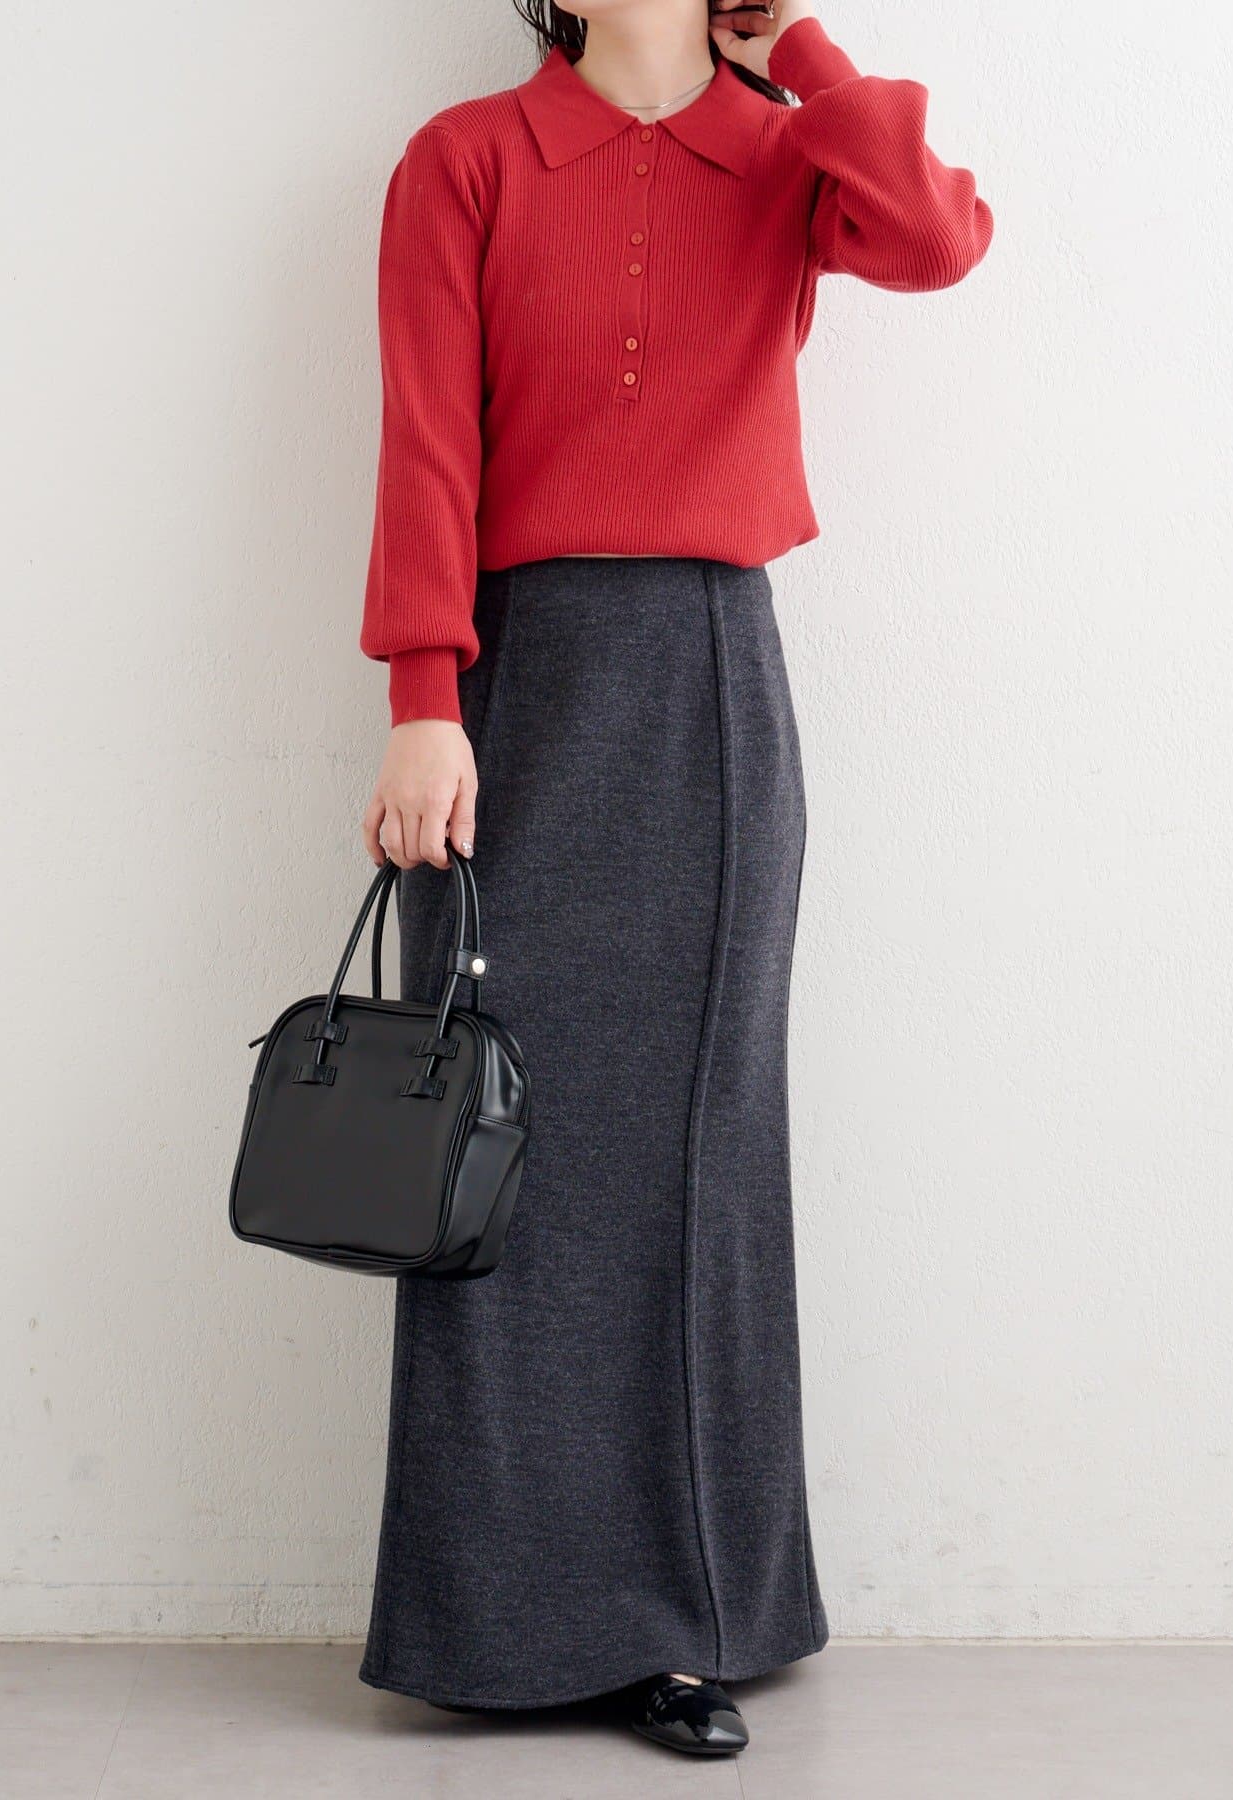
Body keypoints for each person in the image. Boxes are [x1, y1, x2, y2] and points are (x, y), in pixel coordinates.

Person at [356, 0, 991, 1757]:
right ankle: (493, 1621)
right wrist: (424, 701)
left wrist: (802, 47)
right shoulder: (464, 160)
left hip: (708, 682)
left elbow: (939, 236)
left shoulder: (788, 152)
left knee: (698, 1161)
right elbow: (426, 440)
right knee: (487, 1152)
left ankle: (685, 1622)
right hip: (514, 688)